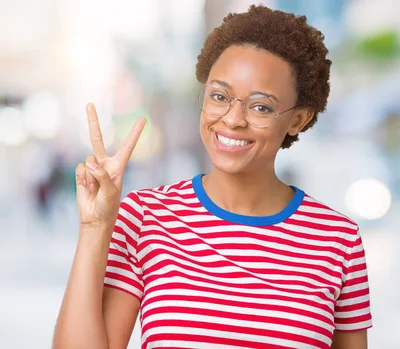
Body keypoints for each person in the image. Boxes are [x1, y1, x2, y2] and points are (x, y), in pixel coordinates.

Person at [53, 5, 372, 349]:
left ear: (297, 120)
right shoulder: (146, 217)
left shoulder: (338, 241)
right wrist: (95, 228)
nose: (233, 119)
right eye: (219, 96)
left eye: (261, 106)